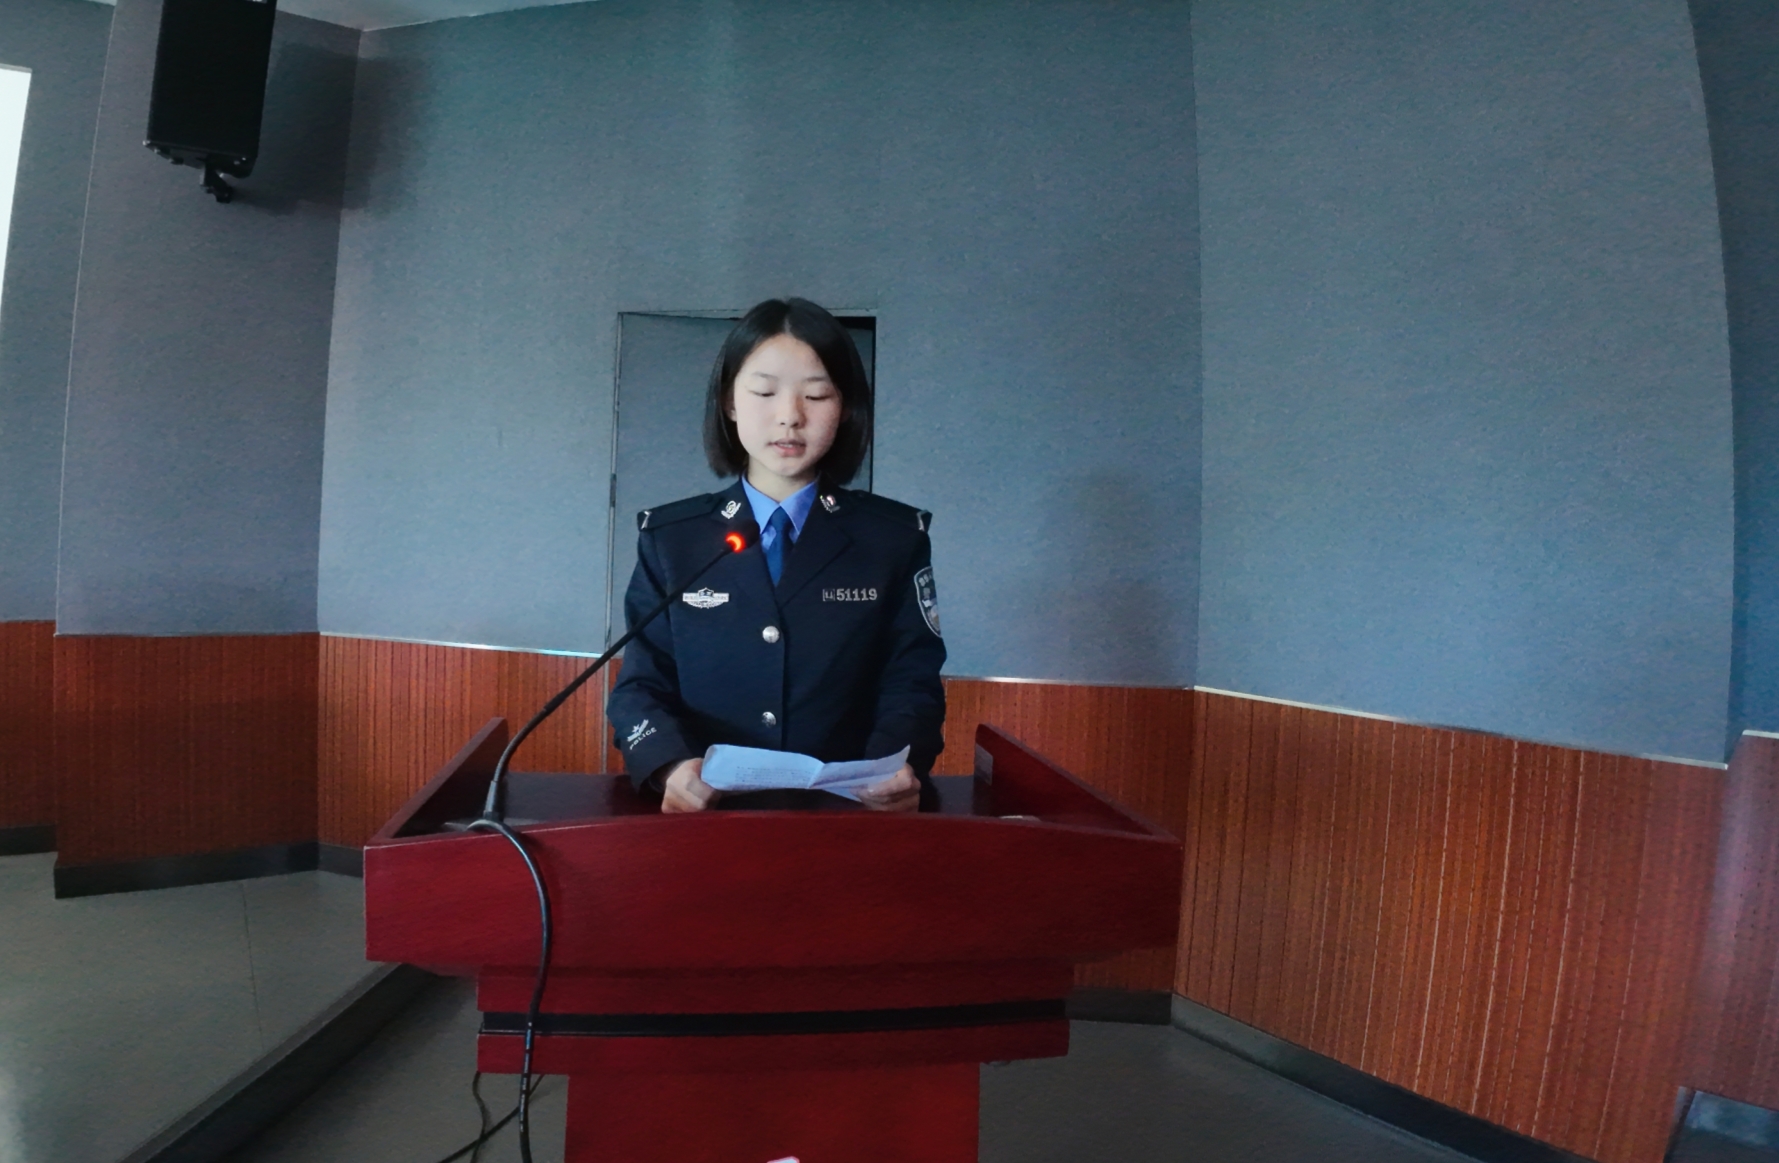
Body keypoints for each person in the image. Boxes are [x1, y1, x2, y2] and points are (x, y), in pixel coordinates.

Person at [606, 298, 946, 813]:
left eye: (817, 394)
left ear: (845, 407)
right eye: (765, 392)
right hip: (707, 818)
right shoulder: (673, 540)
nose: (790, 416)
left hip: (850, 815)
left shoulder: (892, 539)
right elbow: (640, 684)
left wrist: (892, 769)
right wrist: (669, 765)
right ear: (729, 402)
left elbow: (912, 680)